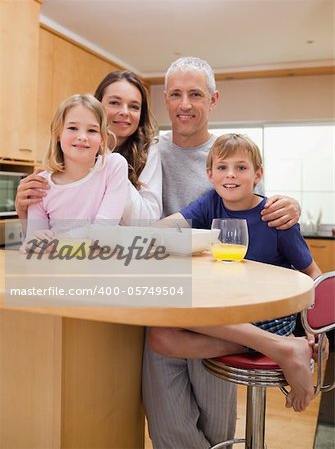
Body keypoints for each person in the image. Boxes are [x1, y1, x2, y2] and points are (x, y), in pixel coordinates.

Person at [142, 57, 303, 449]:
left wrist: (291, 208)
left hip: (219, 307)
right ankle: (267, 344)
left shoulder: (231, 154)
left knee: (217, 429)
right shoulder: (150, 152)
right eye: (176, 94)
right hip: (163, 302)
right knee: (167, 429)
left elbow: (264, 209)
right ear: (165, 99)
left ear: (212, 100)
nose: (185, 104)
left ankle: (267, 343)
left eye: (195, 94)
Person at [148, 133, 322, 414]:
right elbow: (169, 227)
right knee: (160, 337)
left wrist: (316, 328)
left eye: (241, 167)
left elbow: (313, 273)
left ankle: (283, 344)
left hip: (268, 313)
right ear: (210, 174)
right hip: (232, 312)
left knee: (179, 304)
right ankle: (279, 347)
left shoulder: (275, 216)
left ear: (258, 175)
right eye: (222, 167)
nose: (231, 175)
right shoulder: (210, 204)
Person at [16, 71, 162, 226]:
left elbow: (148, 220)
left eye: (134, 106)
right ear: (96, 105)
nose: (125, 112)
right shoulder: (68, 153)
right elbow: (37, 239)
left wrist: (114, 172)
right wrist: (24, 211)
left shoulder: (149, 152)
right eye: (114, 102)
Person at [21, 93, 128, 251]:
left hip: (100, 268)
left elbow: (103, 232)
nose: (82, 137)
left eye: (92, 130)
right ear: (58, 134)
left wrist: (58, 240)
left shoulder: (113, 166)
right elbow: (35, 241)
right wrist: (32, 243)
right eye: (72, 128)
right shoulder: (40, 184)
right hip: (57, 269)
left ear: (102, 138)